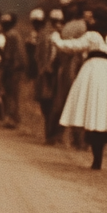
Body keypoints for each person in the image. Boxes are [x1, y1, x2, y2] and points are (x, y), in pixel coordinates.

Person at [51, 5, 107, 169]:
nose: (89, 20)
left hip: (93, 71)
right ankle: (99, 151)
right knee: (103, 110)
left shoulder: (92, 36)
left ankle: (95, 153)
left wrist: (56, 39)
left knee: (91, 107)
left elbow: (72, 46)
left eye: (92, 17)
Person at [48, 0, 88, 145]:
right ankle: (65, 137)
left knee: (66, 102)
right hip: (68, 67)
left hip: (72, 66)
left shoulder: (78, 25)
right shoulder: (75, 25)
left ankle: (66, 137)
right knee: (67, 103)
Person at [35, 8, 62, 143]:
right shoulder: (48, 35)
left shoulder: (49, 35)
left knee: (51, 105)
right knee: (48, 105)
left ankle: (52, 134)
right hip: (48, 75)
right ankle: (50, 135)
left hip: (51, 74)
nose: (58, 24)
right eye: (56, 21)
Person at [0, 12, 26, 129]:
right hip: (18, 68)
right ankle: (14, 119)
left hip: (13, 68)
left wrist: (5, 67)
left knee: (10, 94)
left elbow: (9, 55)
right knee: (14, 94)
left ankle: (12, 119)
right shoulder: (16, 33)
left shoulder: (10, 35)